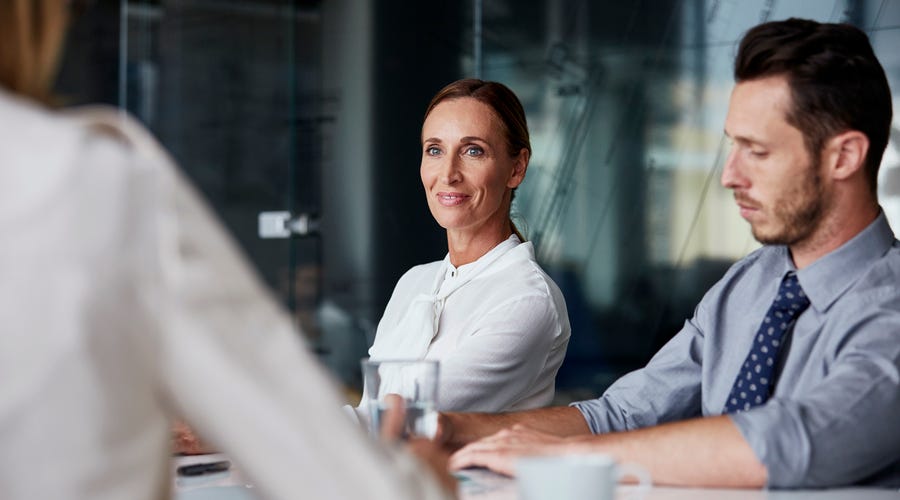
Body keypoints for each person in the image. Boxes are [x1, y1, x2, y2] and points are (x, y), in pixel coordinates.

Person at [0, 1, 453, 499]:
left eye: (472, 150)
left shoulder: (519, 297)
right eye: (434, 150)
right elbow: (345, 478)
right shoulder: (93, 184)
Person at [441, 18, 900, 489]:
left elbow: (789, 441)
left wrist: (570, 457)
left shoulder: (889, 310)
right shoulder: (748, 285)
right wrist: (450, 428)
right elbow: (621, 414)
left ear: (843, 157)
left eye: (757, 152)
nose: (729, 176)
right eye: (732, 146)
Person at [358, 79, 571, 416]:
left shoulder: (527, 300)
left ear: (516, 168)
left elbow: (406, 420)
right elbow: (370, 410)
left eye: (473, 151)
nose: (448, 173)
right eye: (435, 150)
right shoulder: (414, 282)